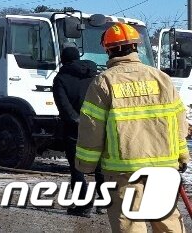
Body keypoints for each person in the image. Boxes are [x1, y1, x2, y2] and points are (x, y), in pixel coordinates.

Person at [75, 23, 190, 232]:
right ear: (136, 47)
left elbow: (92, 127)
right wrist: (182, 155)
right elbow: (179, 122)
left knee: (130, 225)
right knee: (168, 224)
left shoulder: (104, 82)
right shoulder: (161, 79)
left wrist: (86, 165)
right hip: (163, 169)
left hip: (124, 173)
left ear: (108, 50)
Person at [52, 46, 104, 217]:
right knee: (100, 166)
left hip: (74, 129)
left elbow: (64, 106)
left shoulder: (61, 79)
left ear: (63, 59)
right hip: (97, 126)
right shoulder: (94, 76)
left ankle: (83, 205)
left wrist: (77, 121)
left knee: (77, 168)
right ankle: (104, 203)